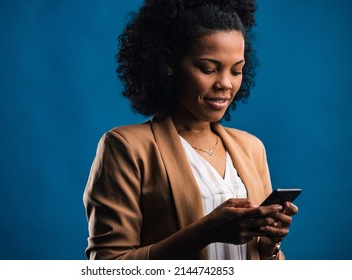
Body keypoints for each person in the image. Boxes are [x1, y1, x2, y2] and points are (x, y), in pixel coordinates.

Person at [83, 0, 298, 260]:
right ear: (170, 64)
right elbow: (108, 266)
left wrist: (269, 244)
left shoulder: (252, 148)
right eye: (209, 69)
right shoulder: (125, 147)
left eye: (236, 70)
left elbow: (263, 260)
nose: (226, 84)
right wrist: (206, 232)